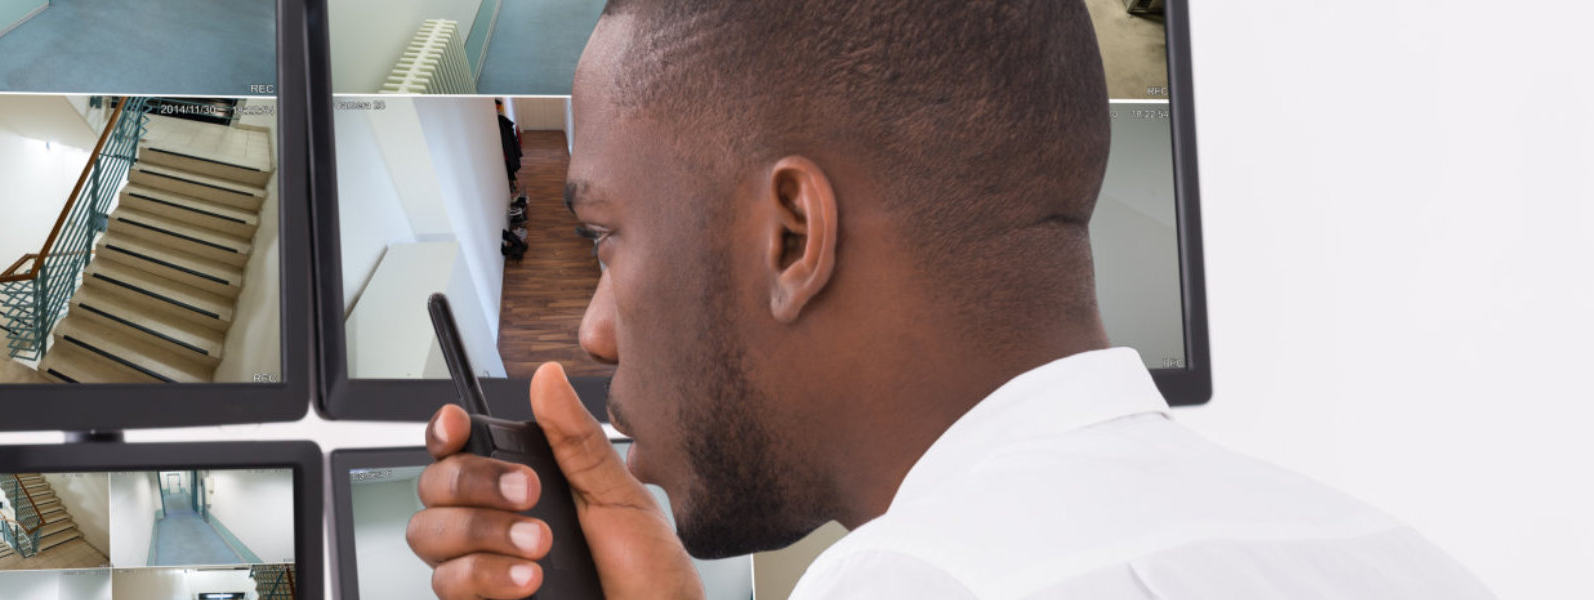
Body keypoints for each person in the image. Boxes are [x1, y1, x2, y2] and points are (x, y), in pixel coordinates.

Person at [406, 0, 1497, 598]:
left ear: (791, 236)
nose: (592, 329)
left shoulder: (916, 583)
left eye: (605, 237)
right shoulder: (1390, 553)